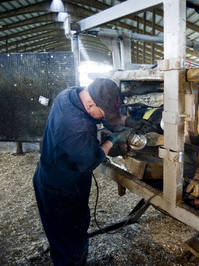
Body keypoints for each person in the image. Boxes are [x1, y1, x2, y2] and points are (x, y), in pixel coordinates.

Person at [32, 78, 150, 265]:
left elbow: (101, 115)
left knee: (60, 237)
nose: (104, 119)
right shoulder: (77, 127)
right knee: (71, 242)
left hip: (47, 175)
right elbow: (91, 159)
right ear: (90, 103)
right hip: (62, 189)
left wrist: (130, 122)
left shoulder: (71, 94)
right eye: (103, 115)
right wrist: (113, 138)